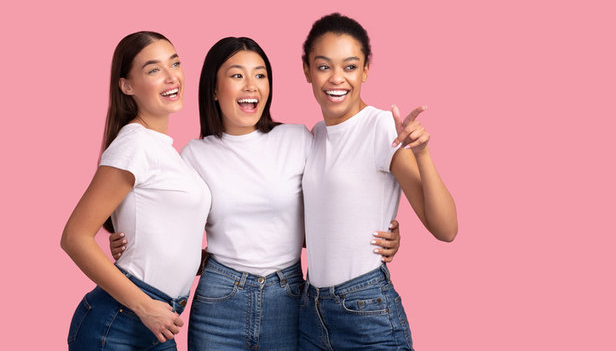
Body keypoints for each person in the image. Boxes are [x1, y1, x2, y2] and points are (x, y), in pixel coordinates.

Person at [109, 37, 401, 351]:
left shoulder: (298, 139)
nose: (251, 85)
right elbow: (173, 228)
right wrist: (135, 241)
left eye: (260, 75)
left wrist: (378, 230)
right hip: (218, 301)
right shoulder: (193, 155)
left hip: (287, 300)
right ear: (214, 89)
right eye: (237, 75)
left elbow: (335, 201)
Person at [298, 13, 459, 351]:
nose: (336, 79)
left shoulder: (382, 128)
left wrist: (424, 154)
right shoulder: (313, 137)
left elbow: (446, 229)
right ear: (307, 70)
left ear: (366, 70)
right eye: (324, 66)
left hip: (365, 310)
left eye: (350, 66)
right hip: (311, 312)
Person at [61, 31, 211, 350]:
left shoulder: (164, 150)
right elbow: (74, 237)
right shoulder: (135, 143)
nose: (172, 77)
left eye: (175, 63)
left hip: (157, 318)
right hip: (122, 320)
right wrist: (145, 307)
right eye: (154, 69)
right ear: (127, 86)